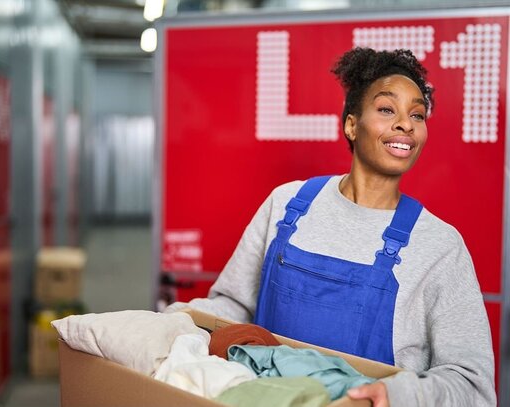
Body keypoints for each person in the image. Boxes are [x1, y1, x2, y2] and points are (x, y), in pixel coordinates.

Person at [165, 48, 495, 406]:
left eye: (417, 114)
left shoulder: (439, 245)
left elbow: (472, 386)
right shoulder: (287, 205)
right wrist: (177, 323)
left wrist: (398, 393)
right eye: (387, 109)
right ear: (351, 124)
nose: (406, 124)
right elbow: (230, 308)